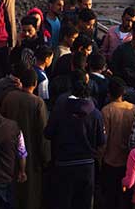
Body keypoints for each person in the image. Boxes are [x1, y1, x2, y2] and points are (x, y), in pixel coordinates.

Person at [44, 73, 106, 209]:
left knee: (63, 201)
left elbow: (48, 133)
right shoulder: (96, 114)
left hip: (63, 163)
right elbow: (101, 141)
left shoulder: (60, 111)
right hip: (87, 165)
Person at [1, 66, 49, 209]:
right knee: (30, 193)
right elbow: (42, 134)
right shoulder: (38, 103)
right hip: (31, 154)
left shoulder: (9, 98)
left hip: (9, 151)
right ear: (35, 84)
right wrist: (46, 158)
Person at [102, 78, 135, 209]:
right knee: (126, 198)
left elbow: (104, 140)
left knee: (111, 197)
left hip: (111, 160)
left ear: (109, 93)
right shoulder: (133, 108)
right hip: (129, 160)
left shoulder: (107, 110)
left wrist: (100, 158)